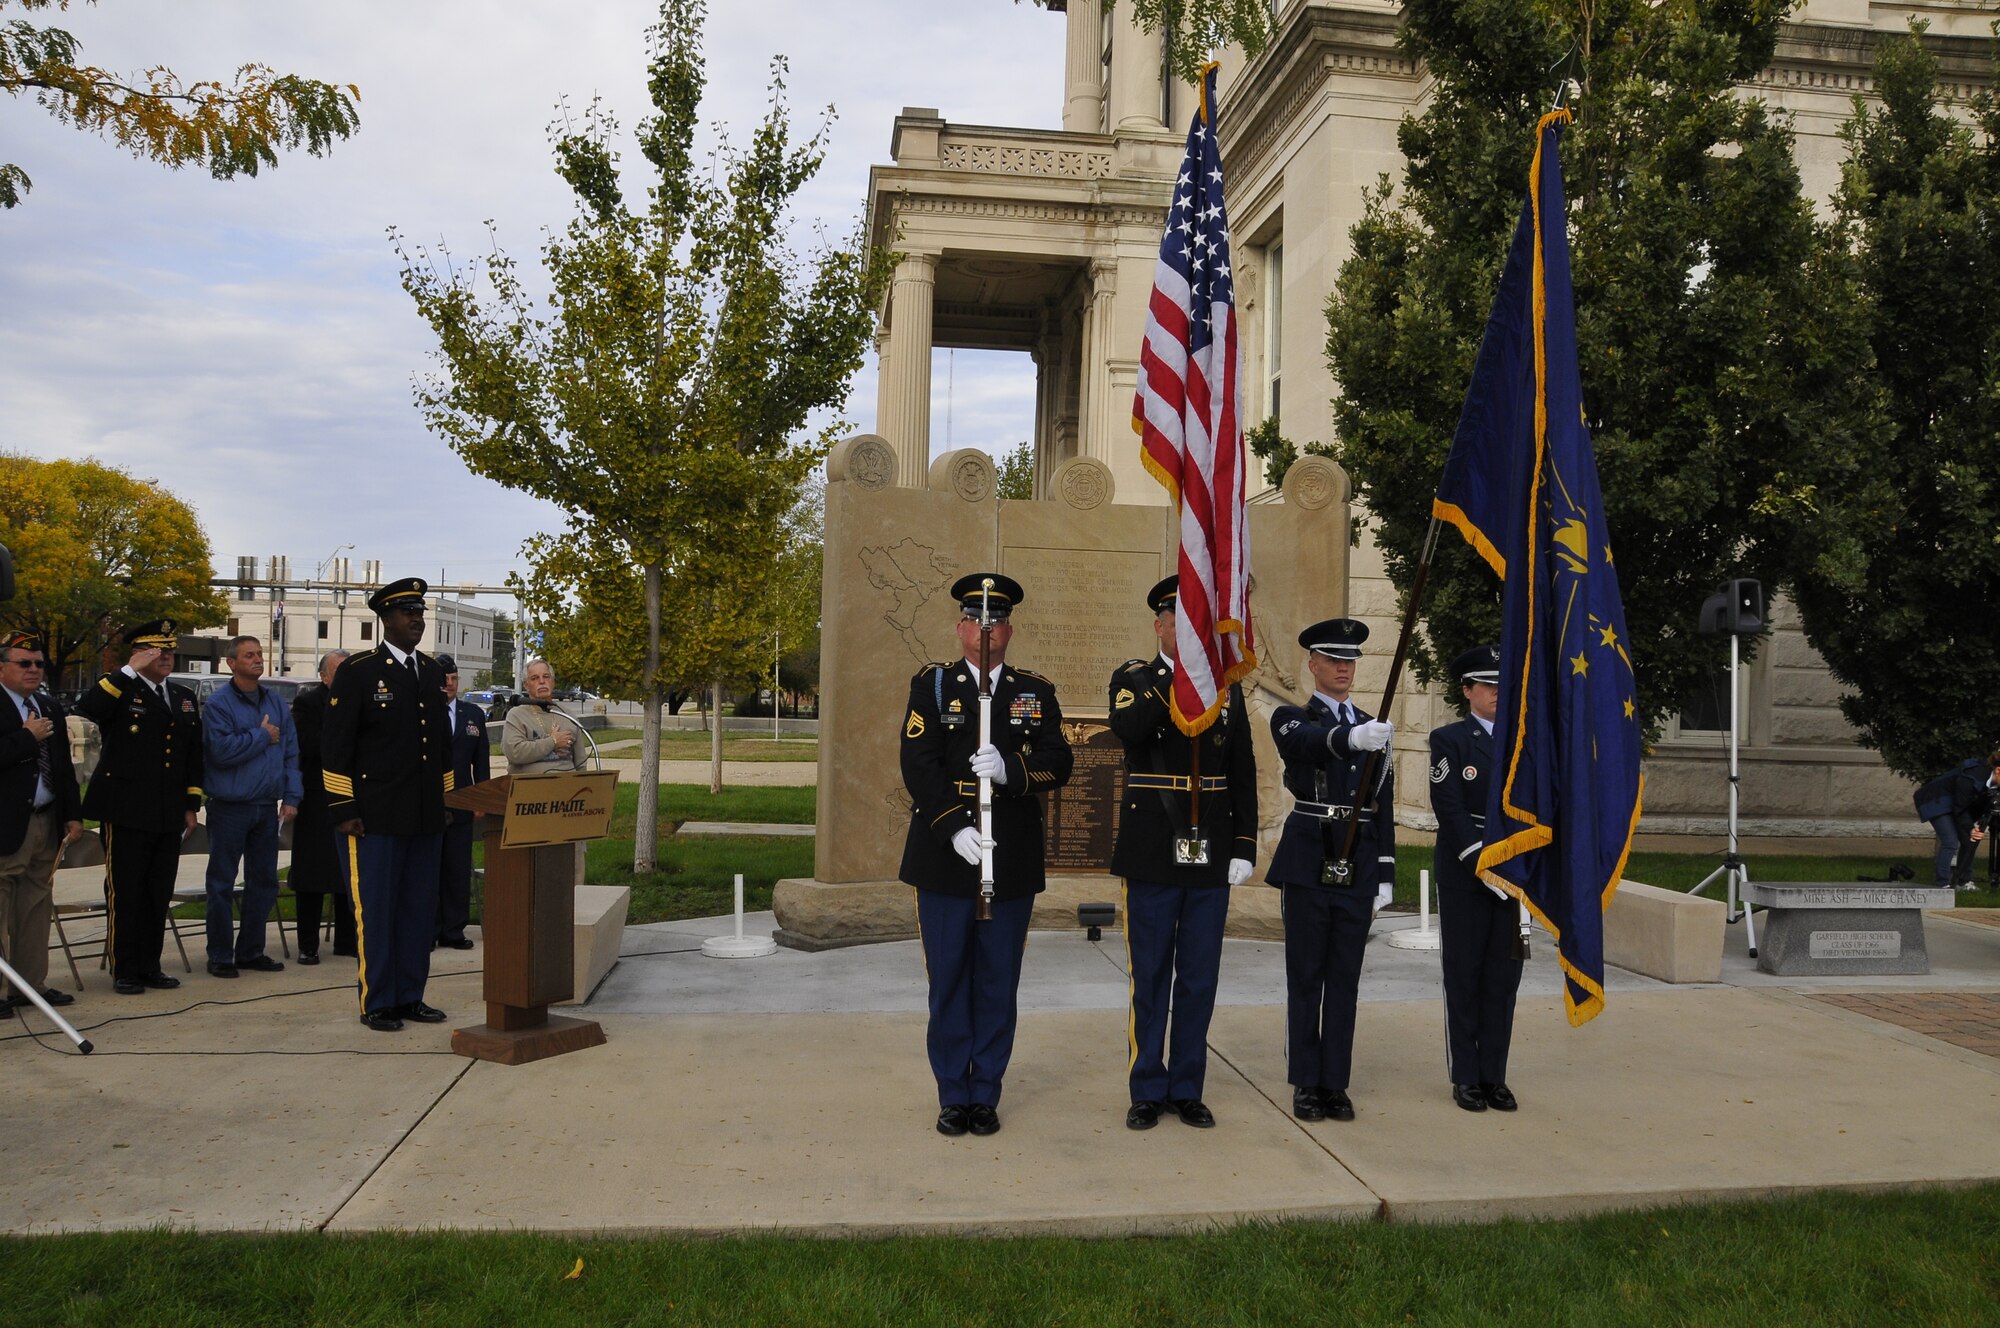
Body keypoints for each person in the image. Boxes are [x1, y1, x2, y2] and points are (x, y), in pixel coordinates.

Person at [899, 572, 1073, 1137]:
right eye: (976, 620)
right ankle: (953, 1092)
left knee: (998, 979)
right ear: (960, 628)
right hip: (946, 856)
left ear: (1010, 631)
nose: (986, 630)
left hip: (1012, 856)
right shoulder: (933, 686)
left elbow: (1060, 762)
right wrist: (952, 827)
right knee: (949, 977)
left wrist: (1010, 771)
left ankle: (986, 1092)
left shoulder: (1034, 692)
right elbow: (917, 764)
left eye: (996, 621)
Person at [1108, 575, 1257, 1131]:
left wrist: (1244, 844)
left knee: (1199, 976)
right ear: (1160, 626)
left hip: (1211, 852)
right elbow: (1128, 728)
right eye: (1177, 621)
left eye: (1195, 621)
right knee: (1150, 974)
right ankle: (1147, 1086)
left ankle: (1187, 1086)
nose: (1186, 631)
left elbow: (1242, 769)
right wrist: (1178, 679)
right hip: (1151, 852)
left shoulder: (1227, 688)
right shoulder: (1135, 679)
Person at [1266, 617, 1395, 1123]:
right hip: (1308, 858)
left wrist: (1385, 870)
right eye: (1334, 660)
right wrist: (1352, 739)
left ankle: (1334, 1082)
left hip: (1358, 860)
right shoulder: (1292, 716)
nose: (1344, 668)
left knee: (1345, 976)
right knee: (1306, 975)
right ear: (1313, 664)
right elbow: (1307, 744)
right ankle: (1304, 1081)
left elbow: (1380, 803)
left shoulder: (1373, 723)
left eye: (1351, 661)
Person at [322, 578, 453, 1032]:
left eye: (420, 611)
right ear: (386, 618)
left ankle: (410, 996)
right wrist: (343, 808)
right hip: (373, 817)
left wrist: (447, 800)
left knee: (418, 911)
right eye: (406, 612)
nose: (416, 619)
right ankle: (377, 1001)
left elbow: (441, 744)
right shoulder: (359, 671)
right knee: (375, 912)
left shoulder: (432, 672)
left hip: (423, 815)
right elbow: (335, 746)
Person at [75, 620, 203, 996]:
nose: (166, 657)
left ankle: (150, 964)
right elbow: (89, 707)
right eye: (157, 651)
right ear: (140, 653)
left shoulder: (181, 695)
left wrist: (191, 803)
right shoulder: (122, 688)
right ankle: (125, 967)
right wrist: (128, 668)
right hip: (127, 809)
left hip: (167, 809)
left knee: (157, 891)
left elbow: (191, 753)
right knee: (127, 891)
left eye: (170, 651)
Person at [1429, 644, 1521, 1113]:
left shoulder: (1526, 740)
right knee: (1464, 973)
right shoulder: (1450, 740)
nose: (1496, 693)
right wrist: (1480, 862)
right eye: (1486, 684)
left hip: (1516, 871)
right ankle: (1466, 1075)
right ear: (1466, 691)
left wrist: (1518, 864)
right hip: (1468, 869)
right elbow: (1449, 808)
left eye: (1502, 684)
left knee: (1504, 976)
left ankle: (1495, 1076)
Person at [198, 636, 300, 978]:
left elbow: (289, 753)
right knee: (222, 883)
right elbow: (220, 752)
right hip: (230, 806)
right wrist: (259, 736)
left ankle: (251, 950)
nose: (258, 660)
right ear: (231, 663)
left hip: (265, 806)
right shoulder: (219, 704)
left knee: (264, 882)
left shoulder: (274, 700)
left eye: (260, 654)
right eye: (249, 655)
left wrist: (292, 796)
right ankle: (220, 955)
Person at [0, 632, 82, 1015]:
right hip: (6, 824)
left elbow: (64, 767)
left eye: (38, 664)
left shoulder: (48, 705)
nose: (34, 670)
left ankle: (30, 985)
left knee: (35, 906)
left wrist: (72, 814)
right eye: (24, 663)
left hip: (44, 821)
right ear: (2, 667)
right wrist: (24, 737)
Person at [289, 650, 356, 964]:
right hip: (316, 799)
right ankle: (308, 945)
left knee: (347, 872)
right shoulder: (308, 703)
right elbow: (310, 743)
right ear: (324, 676)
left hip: (351, 796)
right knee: (312, 876)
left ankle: (346, 940)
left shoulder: (359, 701)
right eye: (339, 671)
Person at [434, 654, 489, 950]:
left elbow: (481, 762)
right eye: (444, 680)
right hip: (430, 802)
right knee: (430, 869)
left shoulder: (473, 714)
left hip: (463, 801)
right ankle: (429, 929)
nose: (450, 685)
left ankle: (454, 930)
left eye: (454, 679)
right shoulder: (423, 712)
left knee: (457, 869)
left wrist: (481, 798)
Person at [1913, 751, 1998, 890]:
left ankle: (1963, 881)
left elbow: (1977, 805)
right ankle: (1943, 883)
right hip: (1936, 801)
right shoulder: (1972, 776)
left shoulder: (1991, 782)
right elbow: (1961, 806)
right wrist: (1970, 827)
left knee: (1969, 840)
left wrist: (1973, 827)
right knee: (1950, 841)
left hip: (1955, 804)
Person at [502, 659, 588, 775]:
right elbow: (514, 753)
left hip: (566, 786)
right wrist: (552, 742)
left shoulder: (567, 715)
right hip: (528, 787)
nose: (542, 681)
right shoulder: (516, 715)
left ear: (553, 682)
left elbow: (581, 762)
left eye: (546, 676)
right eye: (535, 678)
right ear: (526, 685)